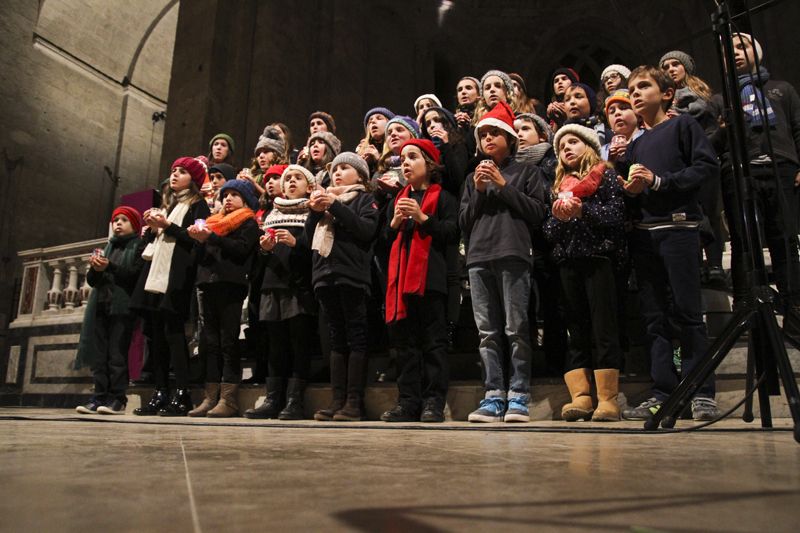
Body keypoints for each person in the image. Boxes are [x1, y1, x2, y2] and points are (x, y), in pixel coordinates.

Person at [620, 66, 721, 422]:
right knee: (654, 318)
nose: (634, 93)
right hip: (646, 235)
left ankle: (700, 390)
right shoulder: (636, 145)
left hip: (678, 229)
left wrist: (660, 181)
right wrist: (630, 191)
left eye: (643, 86)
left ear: (666, 94)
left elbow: (706, 167)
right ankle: (664, 390)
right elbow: (637, 191)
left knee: (688, 314)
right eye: (631, 88)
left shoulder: (683, 126)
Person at [459, 101, 547, 423]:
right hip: (479, 257)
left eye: (495, 133)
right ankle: (493, 394)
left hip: (513, 255)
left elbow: (538, 213)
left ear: (510, 138)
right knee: (487, 332)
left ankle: (519, 395)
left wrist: (502, 184)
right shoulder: (471, 180)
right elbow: (464, 222)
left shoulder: (528, 172)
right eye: (483, 134)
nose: (488, 139)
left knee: (516, 329)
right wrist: (481, 190)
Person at [543, 124, 626, 421]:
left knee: (603, 329)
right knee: (575, 330)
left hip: (599, 258)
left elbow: (616, 215)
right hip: (568, 262)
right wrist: (558, 217)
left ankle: (607, 398)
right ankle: (580, 396)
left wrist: (583, 212)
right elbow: (549, 232)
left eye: (573, 142)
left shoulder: (605, 177)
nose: (567, 148)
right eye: (562, 145)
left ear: (589, 146)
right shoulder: (559, 186)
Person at [381, 139, 459, 423]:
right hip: (400, 284)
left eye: (412, 157)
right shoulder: (396, 200)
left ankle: (433, 402)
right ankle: (408, 402)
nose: (405, 163)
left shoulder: (445, 197)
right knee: (405, 347)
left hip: (431, 282)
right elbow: (382, 242)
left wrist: (423, 218)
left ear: (430, 164)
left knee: (433, 345)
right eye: (402, 158)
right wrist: (394, 224)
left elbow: (452, 233)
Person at [132, 157, 211, 416]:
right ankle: (160, 391)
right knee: (155, 337)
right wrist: (150, 230)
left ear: (195, 178)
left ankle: (182, 392)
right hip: (154, 275)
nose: (175, 175)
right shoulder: (168, 205)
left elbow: (198, 239)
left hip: (176, 277)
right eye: (173, 170)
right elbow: (151, 245)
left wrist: (167, 226)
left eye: (182, 171)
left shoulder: (200, 206)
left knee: (174, 336)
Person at [306, 152, 380, 421]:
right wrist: (315, 214)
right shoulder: (323, 202)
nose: (337, 173)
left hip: (352, 275)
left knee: (356, 335)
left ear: (360, 176)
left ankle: (354, 402)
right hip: (325, 274)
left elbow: (365, 230)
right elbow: (308, 239)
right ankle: (337, 399)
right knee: (336, 338)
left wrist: (335, 206)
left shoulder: (364, 199)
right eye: (334, 169)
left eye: (345, 168)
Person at [245, 166, 318, 420]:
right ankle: (273, 398)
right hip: (271, 284)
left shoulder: (312, 214)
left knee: (298, 343)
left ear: (309, 186)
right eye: (287, 179)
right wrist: (265, 249)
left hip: (297, 286)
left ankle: (295, 400)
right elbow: (258, 260)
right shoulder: (272, 215)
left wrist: (297, 244)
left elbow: (318, 251)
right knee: (275, 344)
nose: (290, 182)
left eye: (297, 178)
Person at [187, 179, 260, 417]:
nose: (227, 199)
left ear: (246, 199)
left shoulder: (248, 222)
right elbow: (199, 256)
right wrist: (198, 241)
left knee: (228, 341)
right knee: (210, 343)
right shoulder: (212, 222)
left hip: (231, 284)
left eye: (234, 195)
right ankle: (210, 397)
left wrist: (211, 238)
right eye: (225, 195)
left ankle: (228, 399)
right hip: (208, 284)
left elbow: (240, 250)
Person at [74, 206, 144, 415]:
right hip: (101, 306)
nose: (118, 224)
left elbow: (133, 275)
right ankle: (99, 396)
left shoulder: (138, 246)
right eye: (116, 220)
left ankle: (117, 398)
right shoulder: (108, 247)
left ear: (134, 224)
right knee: (99, 355)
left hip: (122, 308)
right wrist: (95, 270)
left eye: (124, 220)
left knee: (117, 355)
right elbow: (93, 281)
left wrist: (109, 267)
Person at [357, 107, 395, 174]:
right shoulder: (362, 150)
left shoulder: (396, 149)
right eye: (370, 121)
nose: (373, 121)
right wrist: (363, 164)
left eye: (379, 118)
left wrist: (379, 159)